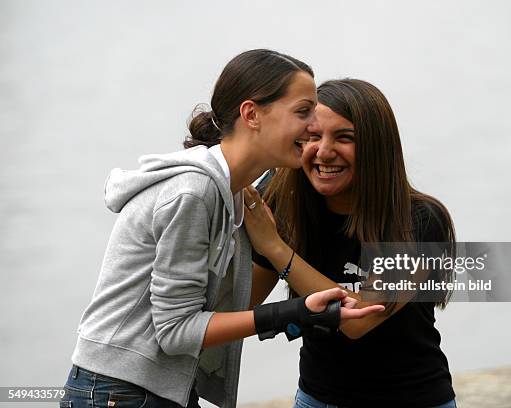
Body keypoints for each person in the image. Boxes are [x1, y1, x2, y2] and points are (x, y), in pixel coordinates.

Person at [61, 51, 383, 408]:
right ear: (251, 114)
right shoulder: (198, 193)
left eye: (343, 136)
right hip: (121, 391)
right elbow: (176, 331)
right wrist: (296, 310)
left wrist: (289, 282)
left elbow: (364, 319)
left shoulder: (236, 194)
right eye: (304, 111)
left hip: (156, 387)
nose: (314, 129)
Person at [245, 78, 458, 407]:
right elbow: (243, 301)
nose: (324, 151)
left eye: (345, 138)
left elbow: (360, 318)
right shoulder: (282, 196)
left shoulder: (421, 221)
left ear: (376, 148)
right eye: (313, 136)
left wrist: (276, 248)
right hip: (316, 398)